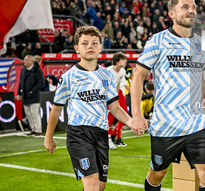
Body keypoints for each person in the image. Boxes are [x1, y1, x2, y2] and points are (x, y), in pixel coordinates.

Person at [131, 0, 205, 191]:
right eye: (185, 7)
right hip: (166, 125)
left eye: (194, 7)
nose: (191, 10)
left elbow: (201, 77)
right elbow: (138, 76)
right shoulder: (158, 41)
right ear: (171, 14)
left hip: (196, 123)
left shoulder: (200, 44)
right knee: (158, 173)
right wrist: (137, 114)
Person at [44, 26, 141, 191]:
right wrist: (49, 137)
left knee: (100, 186)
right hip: (79, 135)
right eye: (85, 43)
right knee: (92, 186)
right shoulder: (69, 77)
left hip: (101, 134)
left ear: (101, 47)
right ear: (76, 48)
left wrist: (131, 121)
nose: (90, 46)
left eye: (94, 43)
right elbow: (56, 109)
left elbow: (115, 107)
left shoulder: (106, 75)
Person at [16, 55, 44, 137]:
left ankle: (38, 130)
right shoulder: (23, 71)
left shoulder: (38, 71)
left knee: (35, 113)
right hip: (25, 95)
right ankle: (33, 129)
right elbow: (20, 83)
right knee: (28, 114)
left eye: (26, 60)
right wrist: (19, 93)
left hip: (34, 96)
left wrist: (32, 91)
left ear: (31, 61)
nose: (24, 61)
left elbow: (41, 83)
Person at [107, 53, 130, 147]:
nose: (125, 61)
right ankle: (109, 139)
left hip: (117, 93)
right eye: (122, 60)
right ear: (117, 61)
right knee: (110, 116)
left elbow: (119, 85)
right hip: (107, 94)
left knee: (124, 114)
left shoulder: (122, 71)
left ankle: (115, 135)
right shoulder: (108, 71)